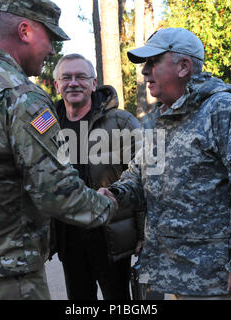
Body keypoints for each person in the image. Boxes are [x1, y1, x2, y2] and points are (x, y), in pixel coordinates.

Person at [0, 0, 117, 300]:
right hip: (3, 275)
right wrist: (107, 205)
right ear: (26, 30)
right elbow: (55, 190)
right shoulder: (22, 96)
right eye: (51, 39)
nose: (51, 51)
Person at [99, 27, 231, 300]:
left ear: (183, 66)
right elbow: (139, 174)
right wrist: (115, 193)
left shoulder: (225, 111)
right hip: (164, 274)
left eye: (153, 62)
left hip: (210, 281)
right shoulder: (162, 118)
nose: (144, 72)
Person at [52, 53, 144, 300]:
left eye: (81, 76)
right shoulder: (46, 125)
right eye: (66, 77)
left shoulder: (121, 122)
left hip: (111, 235)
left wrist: (144, 232)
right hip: (68, 236)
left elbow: (146, 176)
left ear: (94, 84)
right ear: (56, 85)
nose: (73, 83)